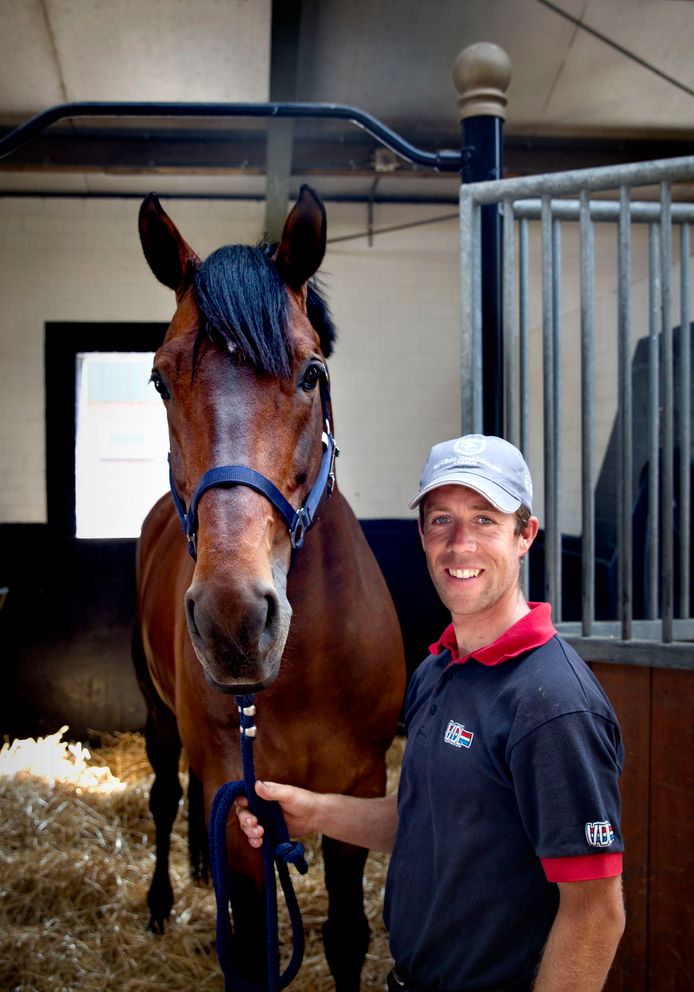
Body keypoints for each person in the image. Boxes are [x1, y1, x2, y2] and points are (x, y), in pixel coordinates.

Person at [235, 434, 626, 992]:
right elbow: (425, 818)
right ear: (421, 535)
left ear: (525, 535)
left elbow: (596, 912)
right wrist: (313, 812)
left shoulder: (551, 704)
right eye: (441, 520)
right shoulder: (437, 669)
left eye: (486, 519)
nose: (459, 543)